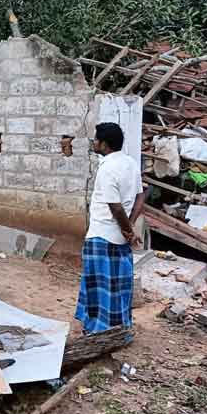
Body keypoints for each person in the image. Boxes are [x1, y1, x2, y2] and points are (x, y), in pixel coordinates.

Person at [75, 123, 143, 334]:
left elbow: (115, 206)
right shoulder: (130, 163)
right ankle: (120, 328)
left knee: (99, 287)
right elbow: (141, 195)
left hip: (101, 236)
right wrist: (129, 227)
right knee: (119, 287)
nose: (94, 143)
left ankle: (98, 330)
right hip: (120, 240)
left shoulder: (107, 169)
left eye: (96, 140)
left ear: (104, 144)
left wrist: (128, 229)